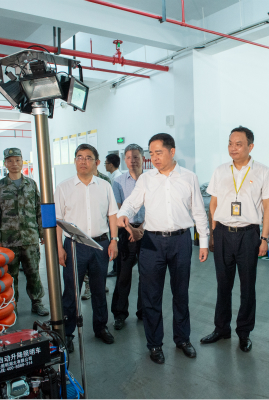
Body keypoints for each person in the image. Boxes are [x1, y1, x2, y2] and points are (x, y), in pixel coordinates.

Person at [117, 133, 209, 364]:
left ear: (172, 151)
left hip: (181, 241)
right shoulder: (146, 179)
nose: (154, 158)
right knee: (151, 295)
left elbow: (199, 211)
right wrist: (123, 214)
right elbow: (132, 202)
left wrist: (204, 242)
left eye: (159, 152)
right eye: (151, 153)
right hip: (152, 243)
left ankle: (183, 339)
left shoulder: (189, 177)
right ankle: (155, 344)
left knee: (181, 293)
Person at [200, 126, 269, 352]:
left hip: (248, 235)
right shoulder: (221, 170)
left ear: (250, 146)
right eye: (230, 143)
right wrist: (213, 232)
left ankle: (244, 332)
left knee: (247, 286)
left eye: (238, 144)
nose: (233, 148)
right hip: (223, 232)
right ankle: (221, 328)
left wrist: (264, 238)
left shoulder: (263, 172)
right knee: (223, 284)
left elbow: (268, 207)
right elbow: (213, 204)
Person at [55, 143, 119, 351]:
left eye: (88, 157)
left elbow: (112, 215)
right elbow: (57, 221)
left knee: (99, 289)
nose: (83, 161)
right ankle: (68, 333)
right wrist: (59, 248)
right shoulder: (63, 188)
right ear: (75, 161)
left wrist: (114, 240)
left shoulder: (105, 186)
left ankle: (101, 327)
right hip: (74, 246)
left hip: (100, 244)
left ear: (97, 162)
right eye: (79, 157)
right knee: (71, 291)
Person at [0, 148, 49, 316]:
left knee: (33, 272)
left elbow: (39, 209)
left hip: (30, 237)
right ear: (5, 163)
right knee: (10, 275)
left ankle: (37, 302)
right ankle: (11, 304)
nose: (14, 164)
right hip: (8, 240)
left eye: (17, 160)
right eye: (10, 161)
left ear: (22, 162)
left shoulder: (31, 184)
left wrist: (42, 232)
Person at [111, 144, 146, 330]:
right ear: (125, 160)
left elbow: (155, 207)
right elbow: (118, 210)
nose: (132, 161)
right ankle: (119, 313)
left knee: (146, 274)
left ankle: (143, 311)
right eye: (129, 157)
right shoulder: (118, 182)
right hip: (126, 231)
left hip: (148, 230)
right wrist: (131, 230)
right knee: (123, 275)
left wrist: (142, 228)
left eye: (136, 157)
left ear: (143, 159)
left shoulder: (151, 179)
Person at [81, 165, 112, 301]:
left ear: (96, 162)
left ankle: (100, 285)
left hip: (100, 230)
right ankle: (88, 287)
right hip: (84, 231)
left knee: (100, 265)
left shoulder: (105, 181)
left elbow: (110, 207)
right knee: (86, 265)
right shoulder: (78, 181)